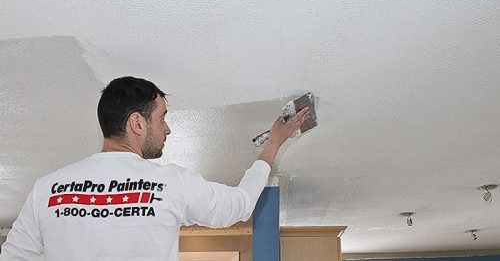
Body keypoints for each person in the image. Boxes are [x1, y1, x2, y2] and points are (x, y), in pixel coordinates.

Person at [0, 76, 310, 260]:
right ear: (137, 123)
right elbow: (240, 205)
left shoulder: (49, 188)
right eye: (161, 117)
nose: (167, 129)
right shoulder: (169, 183)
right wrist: (273, 145)